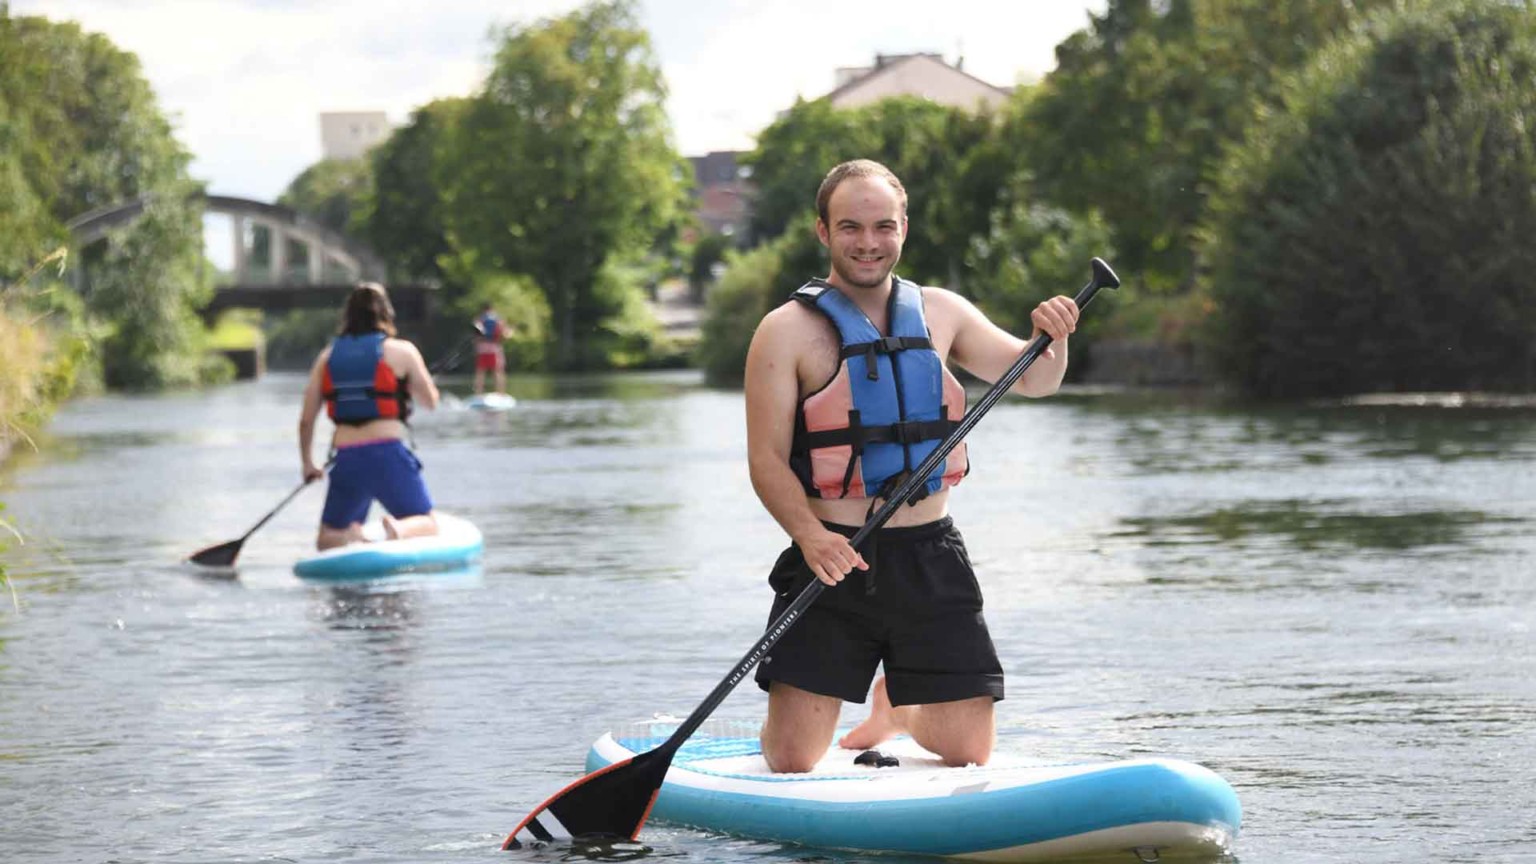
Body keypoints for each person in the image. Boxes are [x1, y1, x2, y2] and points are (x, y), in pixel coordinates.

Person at [743, 159, 1081, 773]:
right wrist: (811, 537)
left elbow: (1034, 378)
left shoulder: (942, 311)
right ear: (823, 231)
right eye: (850, 227)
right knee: (792, 759)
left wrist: (1052, 337)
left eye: (882, 226)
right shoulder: (784, 331)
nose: (868, 242)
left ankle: (897, 707)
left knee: (967, 753)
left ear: (903, 228)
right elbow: (765, 462)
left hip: (929, 556)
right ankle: (793, 719)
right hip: (833, 555)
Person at [299, 282, 442, 550]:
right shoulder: (402, 351)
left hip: (347, 458)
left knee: (326, 538)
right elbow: (430, 401)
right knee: (429, 523)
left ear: (348, 316)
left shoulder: (327, 357)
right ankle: (398, 529)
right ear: (387, 314)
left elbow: (306, 420)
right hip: (387, 453)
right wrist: (406, 388)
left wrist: (308, 464)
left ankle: (348, 536)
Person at [472, 303, 510, 395]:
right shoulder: (498, 319)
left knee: (480, 372)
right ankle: (501, 394)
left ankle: (478, 394)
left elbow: (476, 336)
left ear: (483, 309)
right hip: (495, 349)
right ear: (492, 309)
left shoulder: (479, 319)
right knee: (498, 371)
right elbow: (505, 334)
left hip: (482, 349)